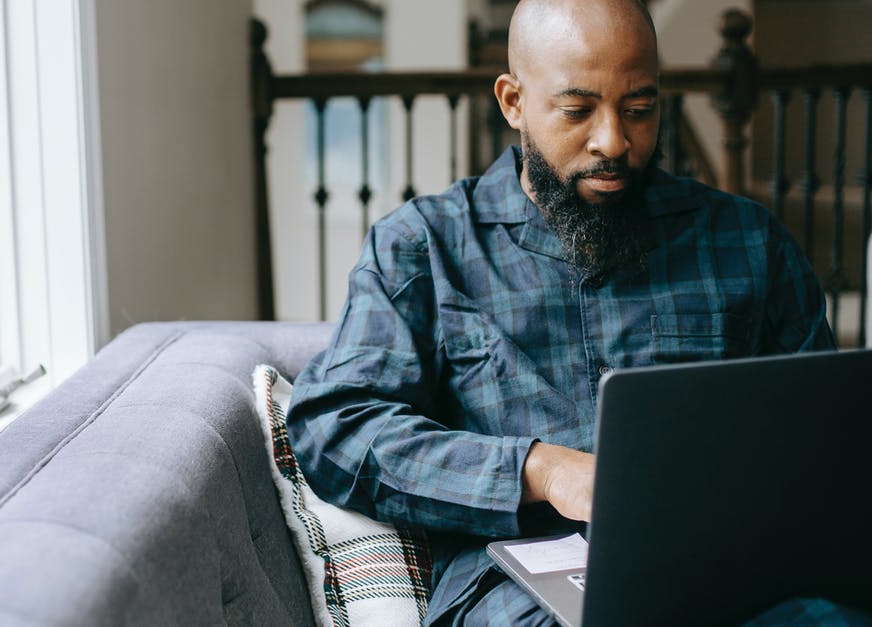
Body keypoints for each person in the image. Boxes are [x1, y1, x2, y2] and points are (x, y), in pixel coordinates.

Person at [284, 0, 858, 624]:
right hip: (518, 589)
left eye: (640, 109)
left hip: (734, 575)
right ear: (513, 102)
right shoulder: (425, 245)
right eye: (578, 109)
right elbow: (334, 427)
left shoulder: (748, 241)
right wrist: (538, 470)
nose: (614, 141)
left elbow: (825, 442)